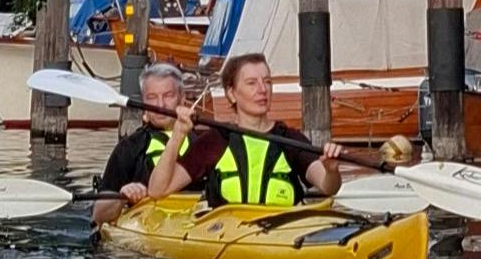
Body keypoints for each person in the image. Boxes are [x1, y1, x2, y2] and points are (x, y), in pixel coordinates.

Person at [144, 51, 342, 207]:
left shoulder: (290, 140)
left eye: (267, 81)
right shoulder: (216, 141)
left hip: (280, 238)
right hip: (227, 235)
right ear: (232, 94)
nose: (262, 90)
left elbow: (327, 186)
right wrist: (178, 135)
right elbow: (158, 190)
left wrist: (331, 170)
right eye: (251, 83)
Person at [88, 61, 192, 226]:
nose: (160, 105)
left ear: (182, 98)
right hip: (146, 225)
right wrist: (122, 197)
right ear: (143, 101)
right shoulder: (129, 147)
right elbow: (98, 216)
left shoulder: (203, 142)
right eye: (152, 97)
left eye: (168, 96)